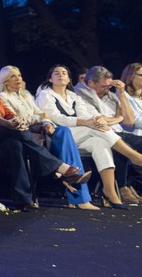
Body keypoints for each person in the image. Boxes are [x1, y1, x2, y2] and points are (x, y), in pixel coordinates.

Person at [0, 66, 90, 211]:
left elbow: (8, 113)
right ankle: (58, 167)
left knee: (17, 146)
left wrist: (16, 121)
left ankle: (23, 200)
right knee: (17, 131)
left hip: (0, 134)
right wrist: (7, 123)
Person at [34, 64, 142, 209]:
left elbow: (85, 115)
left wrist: (95, 121)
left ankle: (110, 192)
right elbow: (56, 117)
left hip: (78, 135)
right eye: (56, 73)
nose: (61, 75)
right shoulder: (45, 94)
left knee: (100, 142)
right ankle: (134, 156)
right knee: (95, 130)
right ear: (50, 78)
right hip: (58, 136)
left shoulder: (74, 96)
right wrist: (86, 122)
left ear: (69, 79)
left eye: (64, 73)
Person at [0, 65, 98, 210]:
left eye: (19, 75)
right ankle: (62, 171)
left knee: (63, 131)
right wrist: (38, 120)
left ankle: (64, 173)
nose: (18, 78)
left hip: (40, 133)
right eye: (13, 76)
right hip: (24, 135)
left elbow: (43, 115)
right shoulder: (3, 97)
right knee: (30, 142)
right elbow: (18, 121)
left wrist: (46, 124)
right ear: (5, 81)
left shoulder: (26, 95)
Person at [73, 66, 142, 205]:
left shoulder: (111, 96)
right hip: (101, 134)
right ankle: (122, 187)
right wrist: (117, 118)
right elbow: (97, 120)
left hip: (119, 132)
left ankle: (128, 184)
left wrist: (121, 94)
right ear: (91, 83)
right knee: (120, 147)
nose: (107, 89)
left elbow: (128, 121)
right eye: (103, 86)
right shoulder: (81, 95)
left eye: (109, 86)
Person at [119, 62, 142, 203]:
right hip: (130, 135)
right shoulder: (123, 96)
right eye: (141, 75)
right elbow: (133, 120)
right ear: (130, 77)